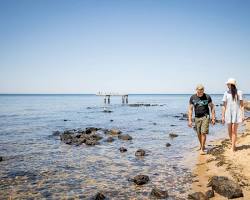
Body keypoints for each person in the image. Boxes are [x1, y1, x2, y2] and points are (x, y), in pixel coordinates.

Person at [188, 84, 215, 154]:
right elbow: (190, 109)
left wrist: (213, 117)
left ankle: (202, 148)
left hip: (205, 116)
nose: (201, 93)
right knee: (198, 133)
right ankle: (201, 145)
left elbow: (212, 107)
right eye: (199, 91)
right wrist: (190, 120)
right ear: (196, 90)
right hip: (197, 117)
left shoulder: (207, 97)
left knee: (203, 132)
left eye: (202, 91)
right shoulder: (192, 97)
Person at [222, 78, 244, 152]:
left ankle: (233, 147)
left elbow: (242, 105)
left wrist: (243, 115)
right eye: (227, 84)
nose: (227, 85)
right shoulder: (226, 93)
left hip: (237, 113)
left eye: (228, 84)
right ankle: (233, 144)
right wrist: (222, 116)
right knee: (229, 131)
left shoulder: (239, 92)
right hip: (228, 113)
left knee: (234, 130)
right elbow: (224, 105)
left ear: (232, 85)